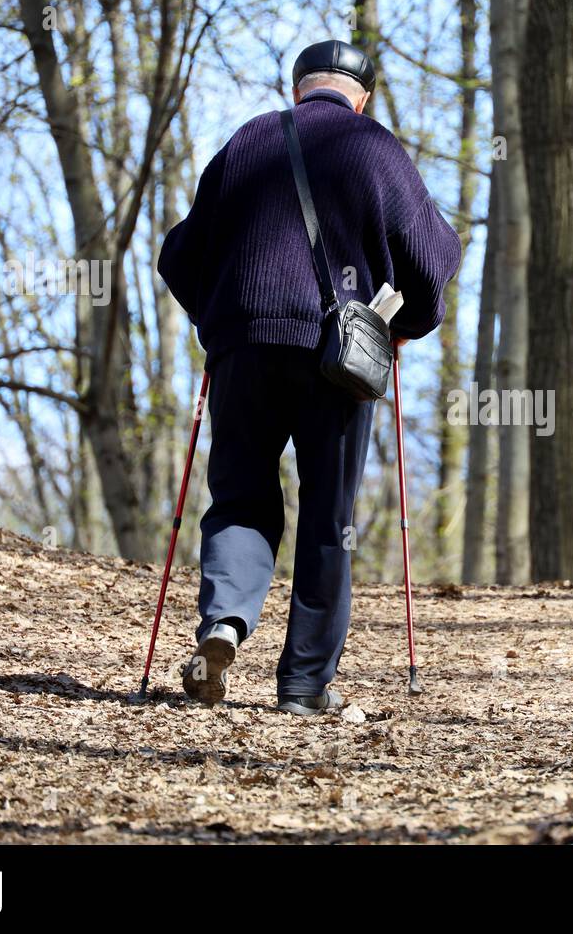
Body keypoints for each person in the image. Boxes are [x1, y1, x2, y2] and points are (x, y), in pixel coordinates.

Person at [157, 40, 461, 715]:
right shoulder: (375, 146)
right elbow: (432, 257)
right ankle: (302, 686)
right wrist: (407, 325)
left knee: (238, 498)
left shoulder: (248, 141)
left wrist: (223, 316)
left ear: (298, 88)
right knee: (329, 519)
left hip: (244, 348)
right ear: (364, 96)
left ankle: (224, 624)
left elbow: (178, 255)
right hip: (337, 359)